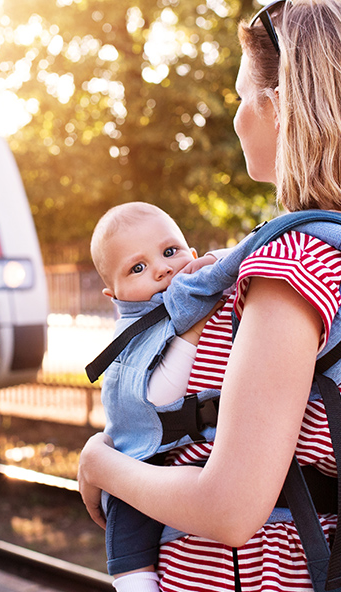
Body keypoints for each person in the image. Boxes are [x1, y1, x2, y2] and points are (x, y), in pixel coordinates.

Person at [77, 0, 341, 591]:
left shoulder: (294, 264)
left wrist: (100, 463)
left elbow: (231, 509)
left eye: (243, 98)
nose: (237, 118)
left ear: (280, 108)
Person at [88, 201, 215, 592]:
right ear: (115, 294)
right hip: (140, 454)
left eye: (170, 251)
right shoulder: (134, 333)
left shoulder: (210, 294)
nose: (162, 268)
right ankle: (133, 582)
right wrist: (190, 335)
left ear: (192, 256)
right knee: (127, 523)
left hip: (194, 464)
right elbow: (158, 399)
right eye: (137, 268)